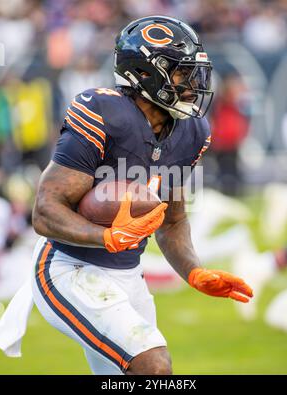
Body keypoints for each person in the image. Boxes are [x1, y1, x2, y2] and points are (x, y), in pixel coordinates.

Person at [31, 16, 253, 375]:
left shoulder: (191, 130)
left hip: (129, 273)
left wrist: (194, 272)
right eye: (182, 73)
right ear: (146, 74)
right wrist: (105, 236)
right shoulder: (102, 111)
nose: (194, 83)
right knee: (153, 366)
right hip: (69, 266)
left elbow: (172, 218)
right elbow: (44, 211)